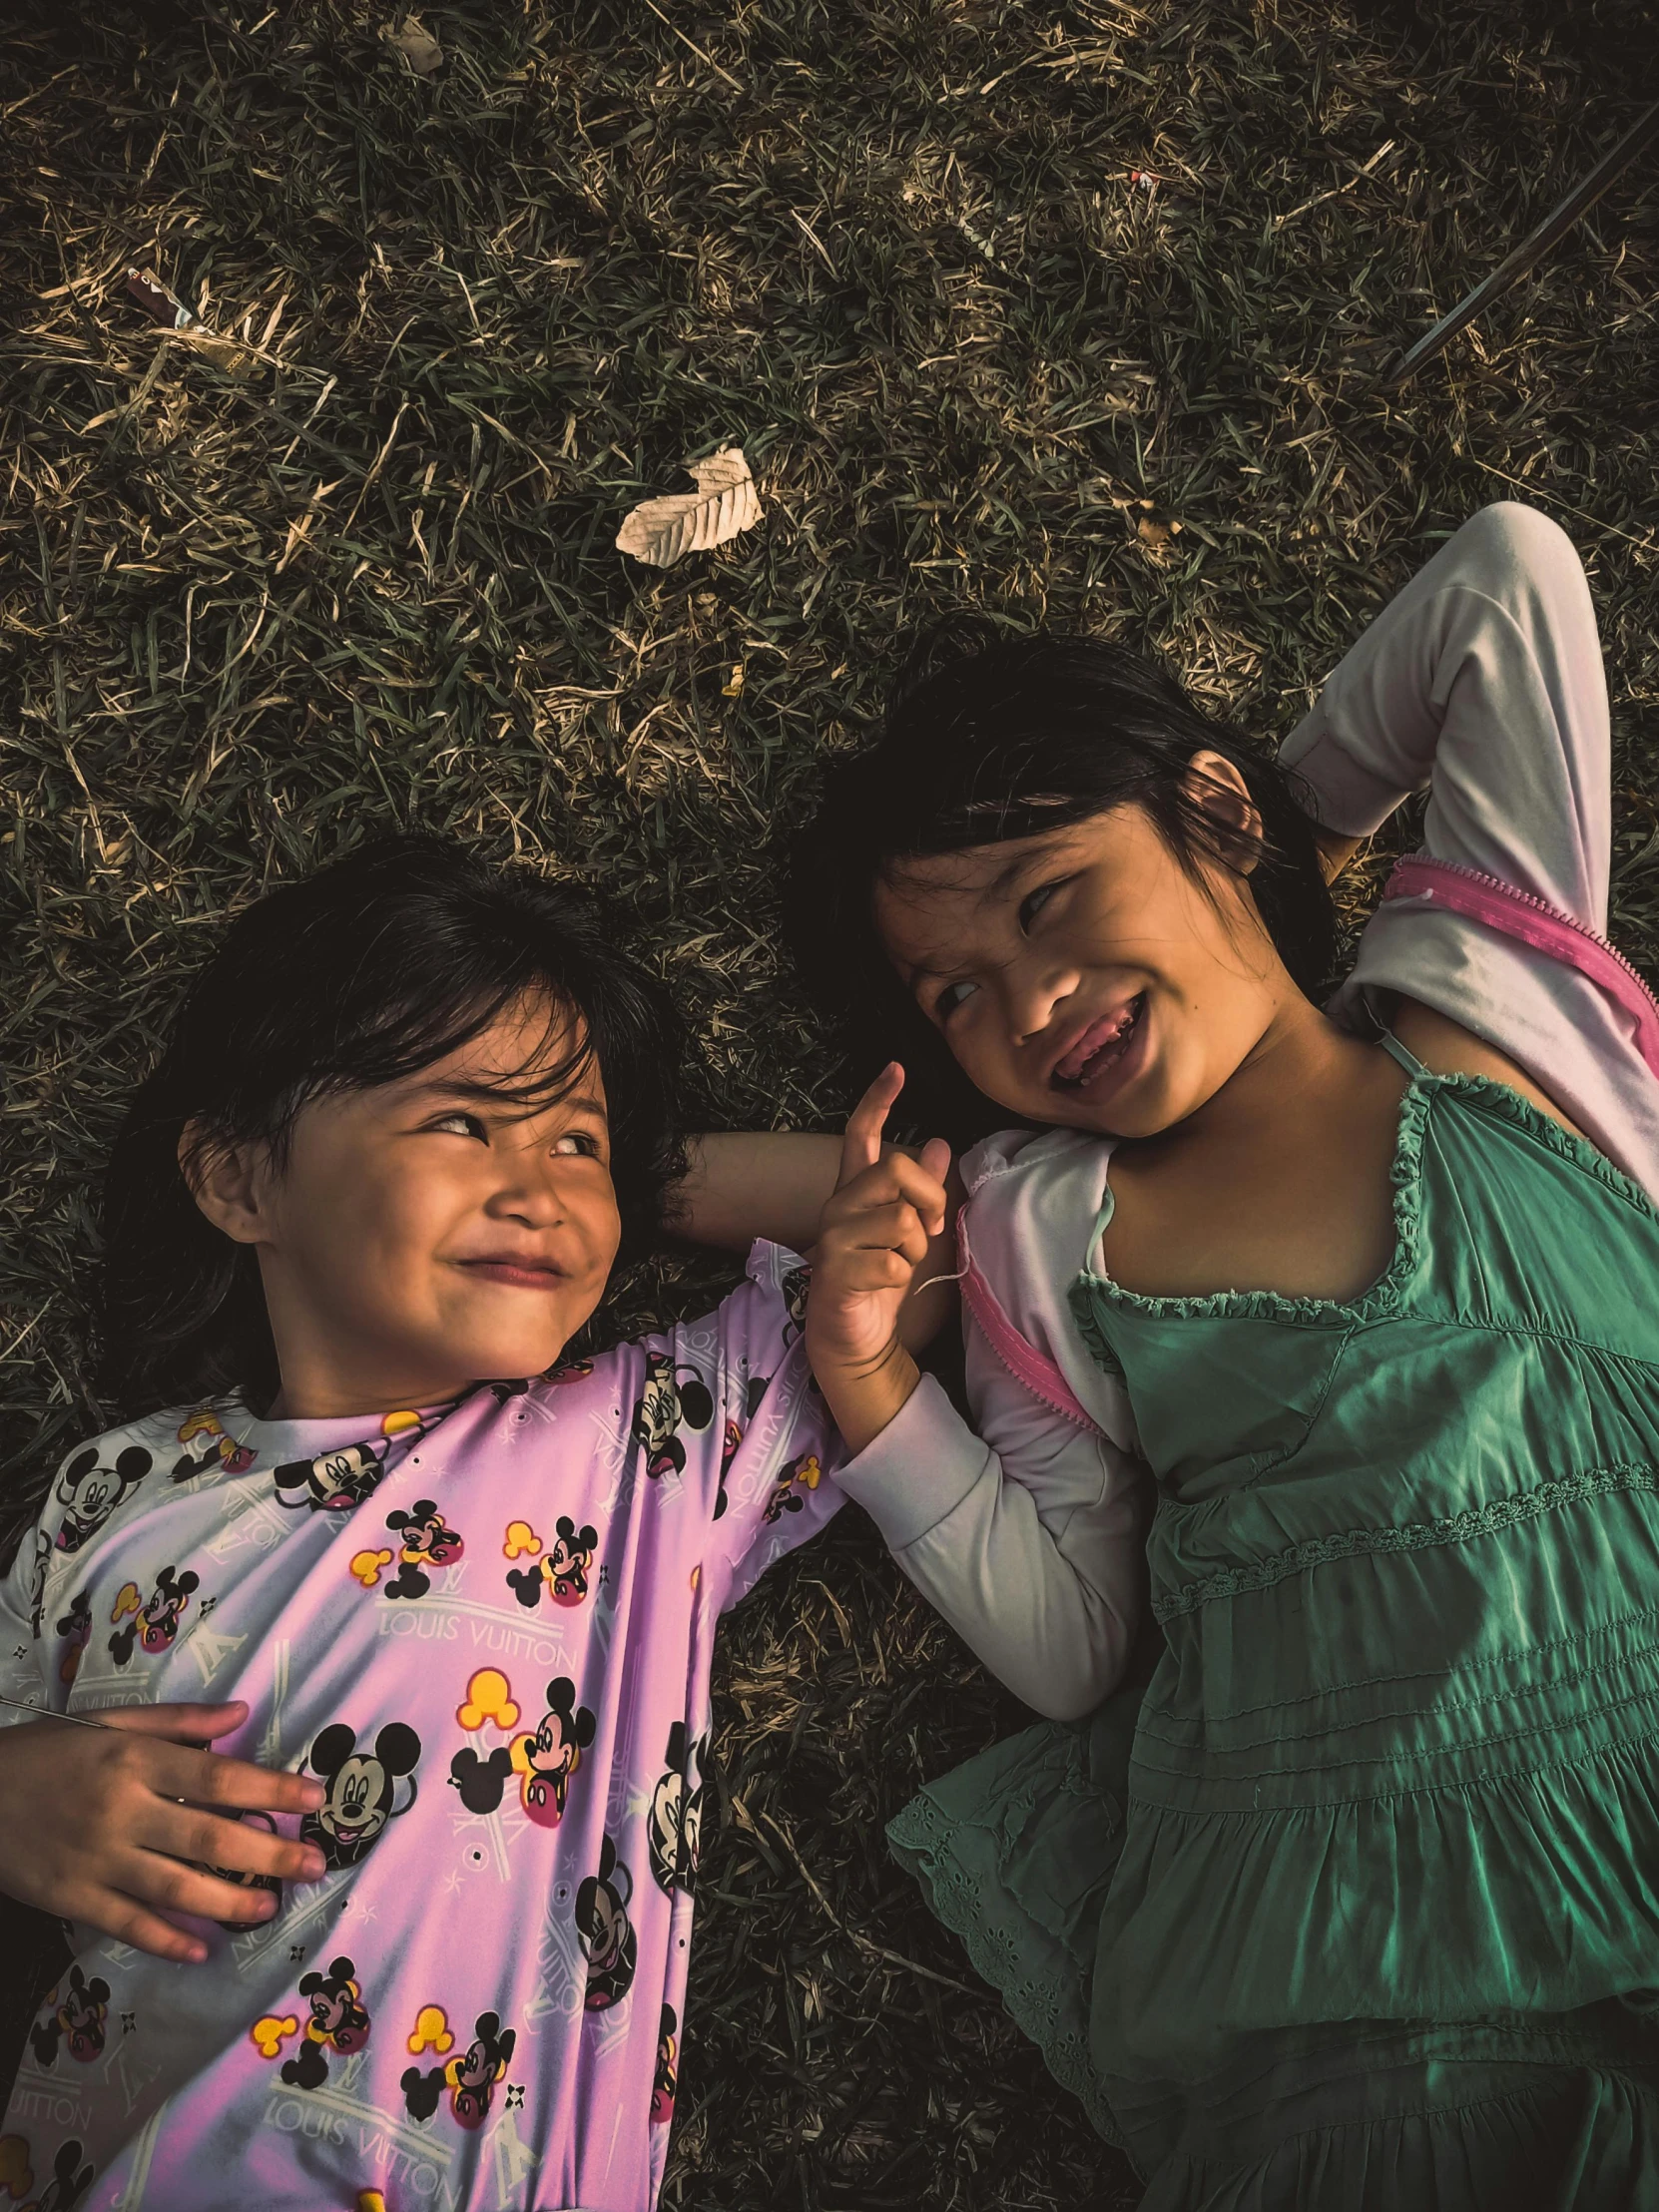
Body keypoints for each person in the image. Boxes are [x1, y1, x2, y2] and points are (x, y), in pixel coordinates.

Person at [789, 502, 1659, 2206]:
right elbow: (1071, 1650)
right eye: (955, 995)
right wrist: (867, 1380)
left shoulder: (1490, 998)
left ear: (1205, 805)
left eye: (1051, 900)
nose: (1029, 1003)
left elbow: (1508, 576)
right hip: (1374, 1931)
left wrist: (1288, 837)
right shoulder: (1038, 1234)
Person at [0, 837, 956, 2212]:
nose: (539, 1187)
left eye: (573, 1139)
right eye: (461, 1121)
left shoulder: (650, 1442)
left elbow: (909, 1242)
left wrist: (635, 1174)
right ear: (241, 1183)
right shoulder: (111, 1492)